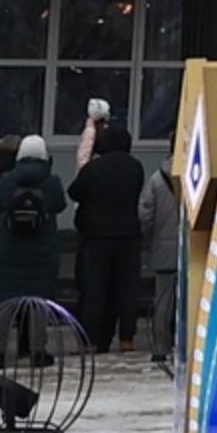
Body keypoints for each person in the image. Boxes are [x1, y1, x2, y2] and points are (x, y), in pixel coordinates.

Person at [71, 108, 151, 353]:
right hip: (128, 235)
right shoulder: (135, 167)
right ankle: (127, 338)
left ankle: (93, 340)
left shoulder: (94, 169)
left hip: (97, 236)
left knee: (96, 289)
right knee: (127, 289)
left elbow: (74, 192)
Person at [0, 131, 74, 311]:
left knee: (5, 305)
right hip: (43, 250)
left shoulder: (7, 180)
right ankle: (35, 339)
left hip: (9, 249)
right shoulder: (52, 182)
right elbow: (60, 204)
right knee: (37, 306)